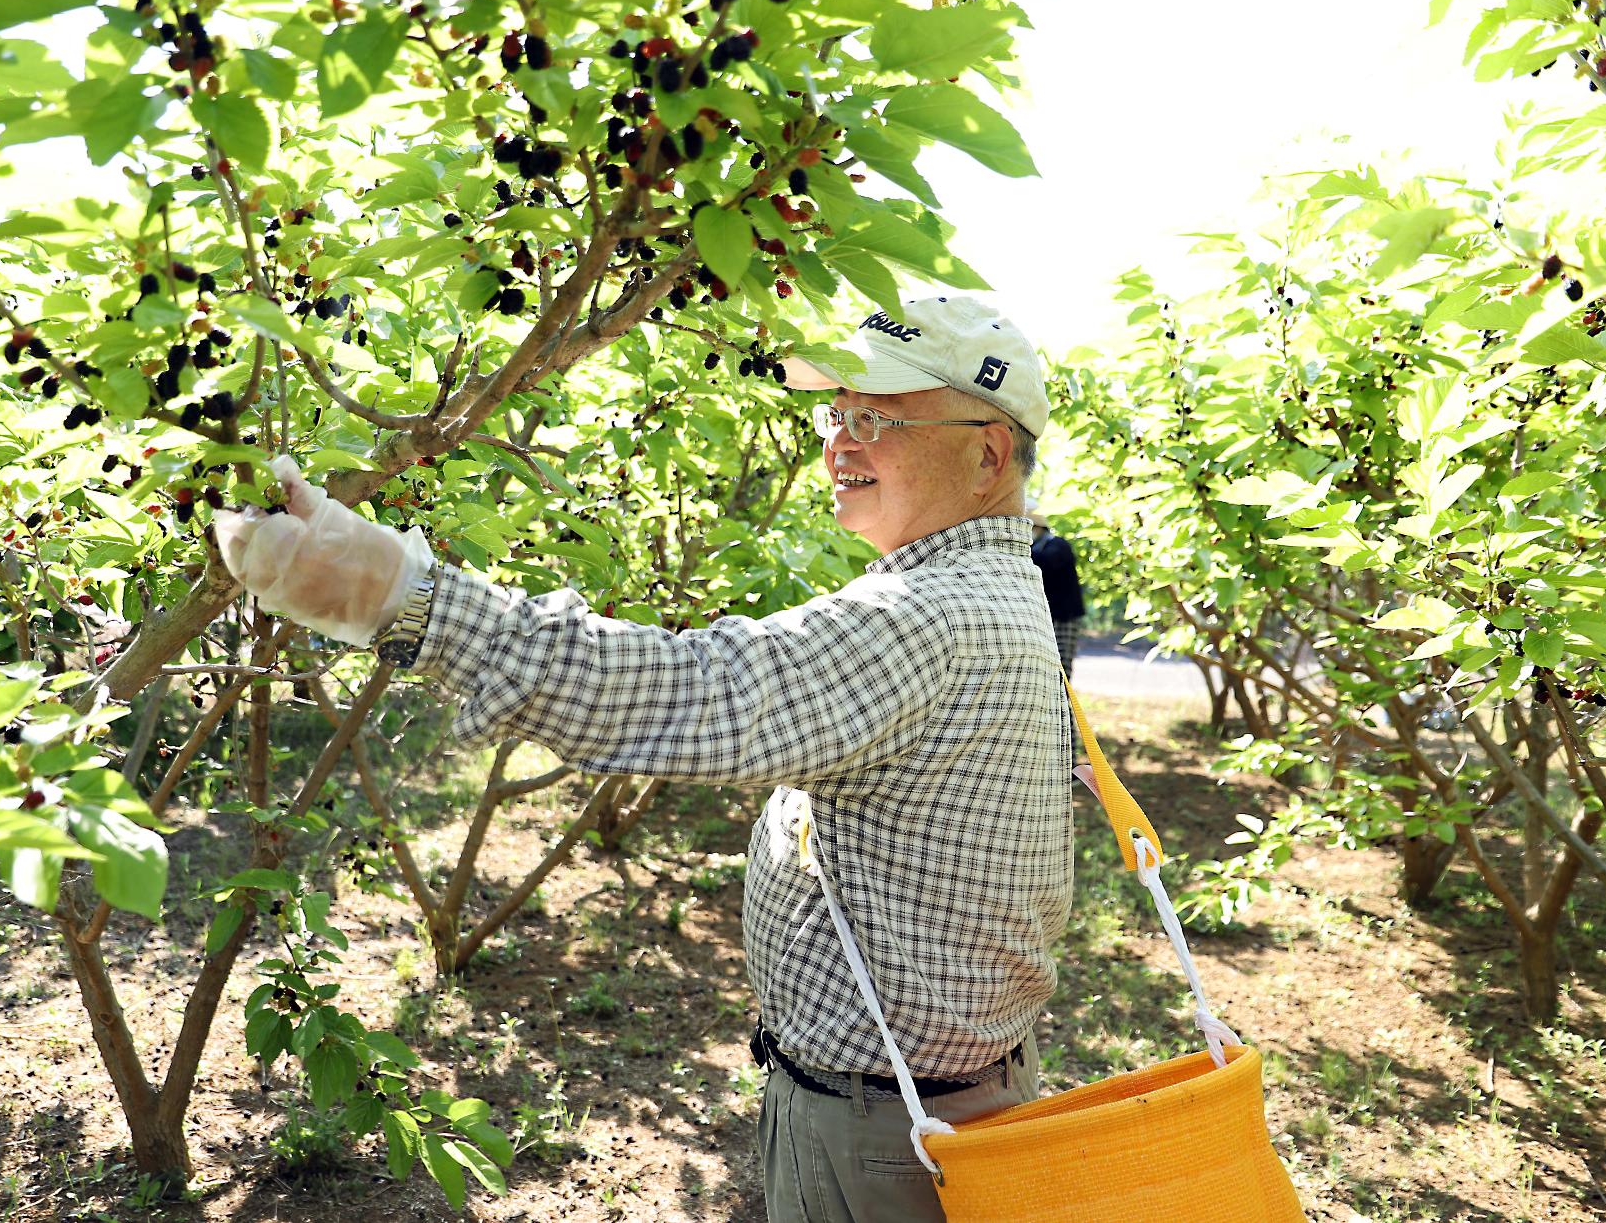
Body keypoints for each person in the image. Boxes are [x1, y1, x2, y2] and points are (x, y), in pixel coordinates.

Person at [215, 293, 1072, 1223]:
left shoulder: (925, 619)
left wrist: (394, 593)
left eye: (877, 418)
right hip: (931, 1103)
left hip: (887, 1135)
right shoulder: (997, 590)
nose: (839, 445)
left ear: (988, 452)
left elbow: (691, 689)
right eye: (837, 416)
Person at [1029, 514, 1085, 677]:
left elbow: (1047, 563)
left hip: (1064, 616)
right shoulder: (1038, 548)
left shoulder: (1057, 545)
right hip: (1044, 616)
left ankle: (1065, 702)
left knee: (1061, 665)